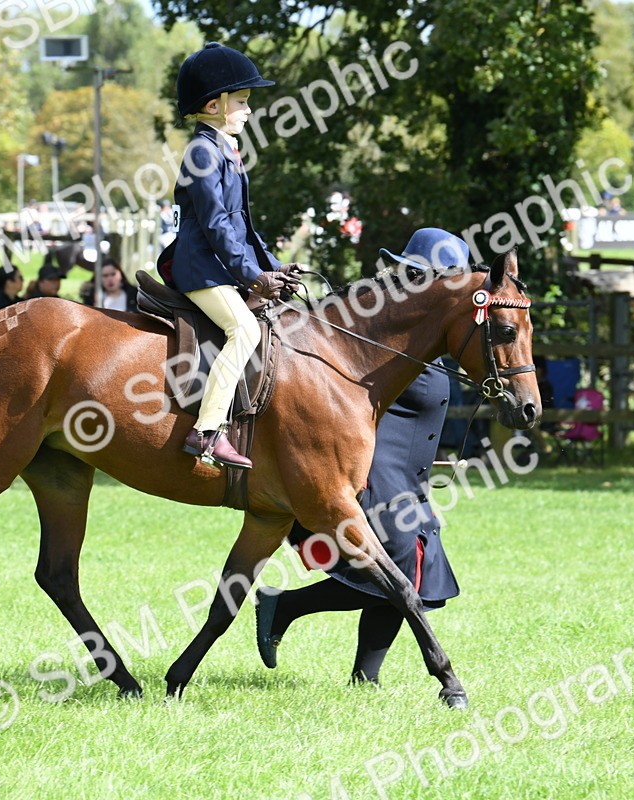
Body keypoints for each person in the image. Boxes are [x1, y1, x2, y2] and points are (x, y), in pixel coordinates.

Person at [254, 228, 470, 685]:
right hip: (373, 475)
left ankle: (355, 672)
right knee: (401, 572)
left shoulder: (425, 327)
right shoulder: (380, 327)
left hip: (408, 475)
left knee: (406, 574)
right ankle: (297, 616)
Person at [172, 42, 297, 470]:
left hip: (218, 267)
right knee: (244, 330)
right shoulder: (203, 152)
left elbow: (242, 224)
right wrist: (252, 276)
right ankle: (207, 432)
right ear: (214, 104)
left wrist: (274, 267)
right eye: (241, 102)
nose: (248, 110)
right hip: (198, 269)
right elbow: (217, 226)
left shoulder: (225, 149)